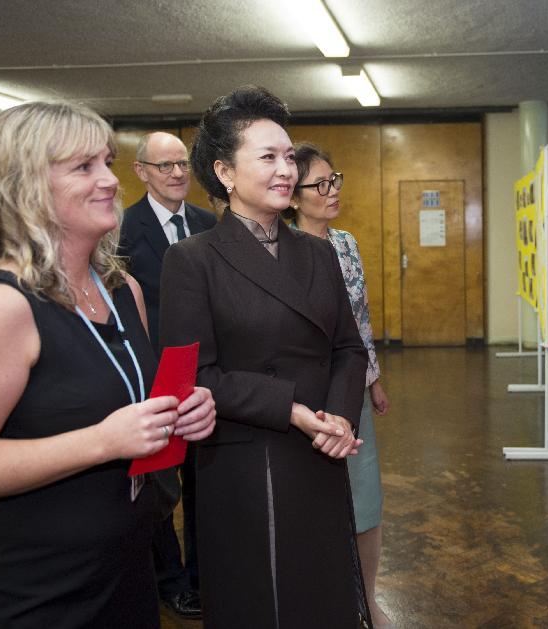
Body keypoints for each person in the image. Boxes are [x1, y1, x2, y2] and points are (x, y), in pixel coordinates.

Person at [0, 101, 216, 628]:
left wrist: (182, 413)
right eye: (83, 167)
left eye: (105, 161)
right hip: (35, 592)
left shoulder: (124, 291)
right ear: (23, 186)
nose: (109, 181)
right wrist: (101, 441)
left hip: (126, 570)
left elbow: (127, 404)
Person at [159, 85, 371, 628]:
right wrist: (295, 411)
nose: (287, 171)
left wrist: (340, 416)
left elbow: (348, 347)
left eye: (289, 158)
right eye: (268, 157)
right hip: (247, 458)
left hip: (321, 448)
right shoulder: (192, 260)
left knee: (322, 596)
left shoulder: (318, 253)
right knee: (265, 601)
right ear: (225, 173)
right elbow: (197, 376)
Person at [288, 142, 392, 628]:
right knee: (313, 504)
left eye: (336, 181)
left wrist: (373, 380)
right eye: (320, 185)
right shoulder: (281, 252)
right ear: (293, 196)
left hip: (352, 390)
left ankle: (367, 598)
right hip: (305, 400)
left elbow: (361, 321)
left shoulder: (347, 243)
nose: (332, 192)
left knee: (365, 499)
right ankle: (323, 599)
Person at [119, 131, 216, 618]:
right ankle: (170, 580)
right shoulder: (121, 228)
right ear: (141, 172)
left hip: (200, 378)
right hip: (149, 382)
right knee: (158, 491)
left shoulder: (206, 223)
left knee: (202, 483)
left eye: (183, 164)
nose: (178, 174)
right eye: (165, 166)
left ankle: (200, 579)